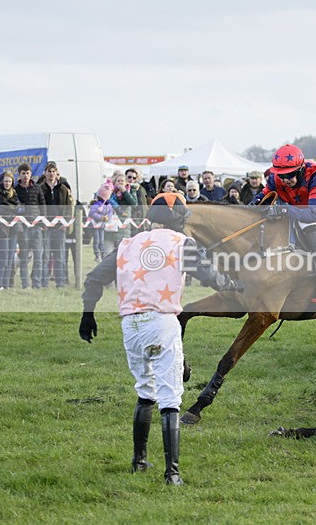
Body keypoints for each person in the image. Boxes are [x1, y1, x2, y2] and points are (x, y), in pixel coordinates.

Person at [79, 192, 242, 484]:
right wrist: (231, 283)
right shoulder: (182, 243)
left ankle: (139, 461)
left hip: (131, 326)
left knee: (145, 392)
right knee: (170, 398)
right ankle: (173, 474)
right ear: (178, 218)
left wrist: (87, 314)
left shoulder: (126, 243)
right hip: (163, 324)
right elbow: (209, 276)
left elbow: (93, 278)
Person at [250, 144, 316, 286]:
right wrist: (253, 206)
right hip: (308, 207)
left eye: (289, 175)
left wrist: (283, 210)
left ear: (300, 169)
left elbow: (315, 214)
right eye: (281, 175)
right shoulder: (276, 178)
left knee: (305, 222)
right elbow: (263, 196)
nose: (285, 180)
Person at [40, 161, 74, 288]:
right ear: (45, 173)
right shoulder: (41, 188)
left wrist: (66, 223)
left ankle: (60, 283)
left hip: (60, 227)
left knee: (60, 256)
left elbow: (69, 207)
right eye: (49, 171)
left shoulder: (64, 188)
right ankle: (44, 283)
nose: (51, 174)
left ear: (57, 173)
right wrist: (41, 223)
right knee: (45, 256)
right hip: (45, 227)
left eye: (53, 171)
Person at [14, 163, 45, 289]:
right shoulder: (16, 189)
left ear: (30, 174)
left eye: (27, 173)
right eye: (23, 173)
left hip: (37, 226)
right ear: (19, 174)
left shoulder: (37, 188)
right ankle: (25, 284)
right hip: (24, 227)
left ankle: (36, 284)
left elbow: (42, 205)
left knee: (38, 257)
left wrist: (43, 222)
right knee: (24, 257)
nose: (25, 176)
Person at [0, 172, 21, 290]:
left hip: (13, 229)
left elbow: (20, 209)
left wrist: (9, 208)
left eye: (9, 181)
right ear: (1, 182)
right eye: (5, 181)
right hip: (0, 229)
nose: (7, 183)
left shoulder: (15, 194)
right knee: (2, 259)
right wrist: (12, 209)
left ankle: (7, 284)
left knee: (10, 259)